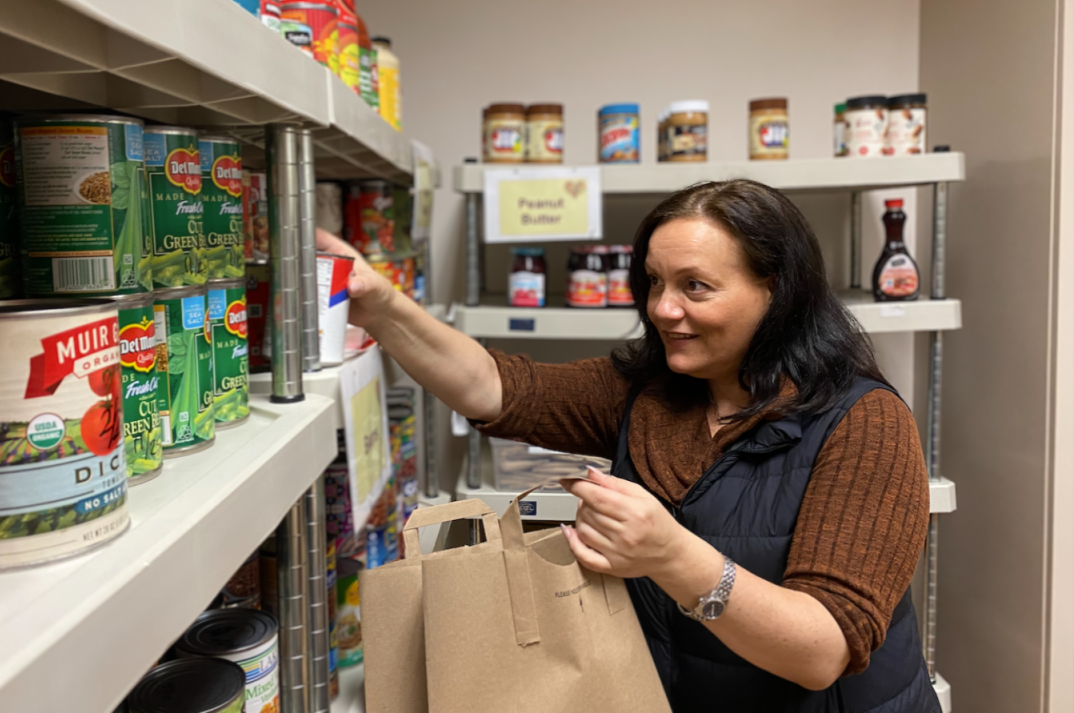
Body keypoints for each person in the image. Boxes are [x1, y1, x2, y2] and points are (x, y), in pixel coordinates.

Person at [317, 179, 939, 712]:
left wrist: (670, 555)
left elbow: (823, 651)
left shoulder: (866, 424)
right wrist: (379, 307)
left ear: (776, 292)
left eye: (696, 286)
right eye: (654, 282)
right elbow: (497, 389)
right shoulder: (652, 390)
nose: (663, 308)